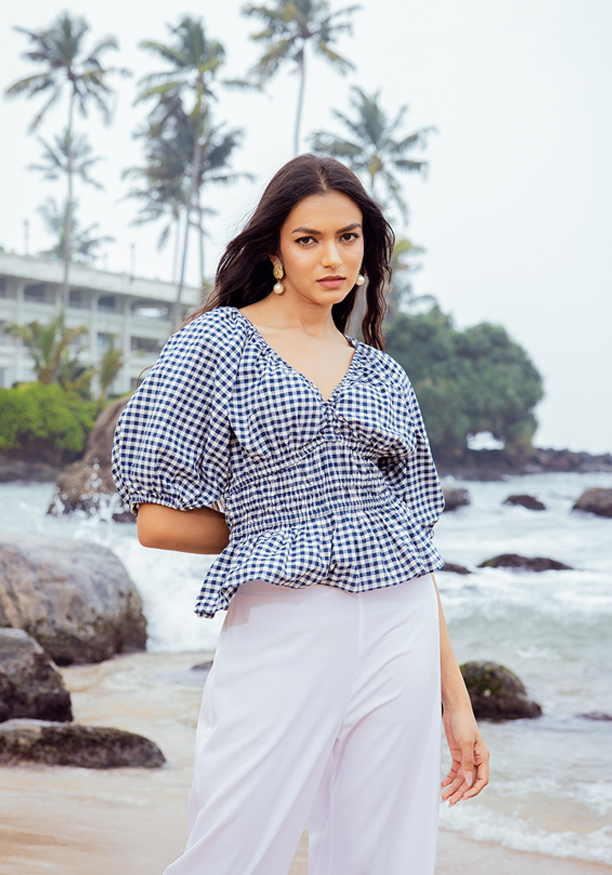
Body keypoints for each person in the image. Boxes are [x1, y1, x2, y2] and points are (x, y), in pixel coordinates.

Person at [112, 154, 489, 875]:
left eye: (349, 238)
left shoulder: (383, 372)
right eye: (309, 238)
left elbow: (406, 542)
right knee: (232, 845)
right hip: (284, 620)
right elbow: (157, 521)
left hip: (399, 623)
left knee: (386, 856)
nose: (333, 256)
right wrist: (286, 526)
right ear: (276, 248)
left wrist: (457, 702)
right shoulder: (218, 344)